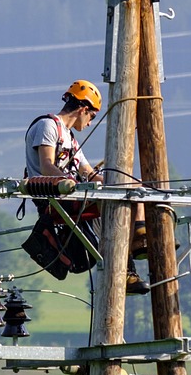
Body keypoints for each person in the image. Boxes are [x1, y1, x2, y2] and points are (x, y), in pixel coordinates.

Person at [24, 79, 149, 294]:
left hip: (72, 197)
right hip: (53, 199)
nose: (90, 122)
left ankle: (139, 237)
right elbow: (46, 166)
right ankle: (126, 265)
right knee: (111, 205)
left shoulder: (71, 140)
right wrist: (70, 182)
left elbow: (89, 173)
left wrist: (124, 184)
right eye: (92, 116)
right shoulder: (48, 126)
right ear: (83, 109)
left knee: (125, 194)